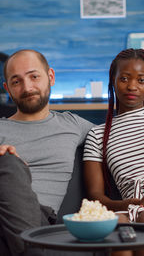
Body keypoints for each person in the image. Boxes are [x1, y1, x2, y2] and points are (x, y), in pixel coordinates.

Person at [0, 49, 94, 256]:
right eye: (16, 82)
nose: (27, 88)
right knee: (7, 162)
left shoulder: (73, 124)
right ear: (8, 88)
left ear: (50, 77)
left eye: (34, 76)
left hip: (38, 220)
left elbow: (123, 137)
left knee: (8, 163)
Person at [83, 48, 144, 256]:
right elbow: (95, 196)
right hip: (126, 207)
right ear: (113, 80)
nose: (132, 86)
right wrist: (123, 204)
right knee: (117, 226)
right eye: (124, 78)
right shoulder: (97, 135)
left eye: (141, 80)